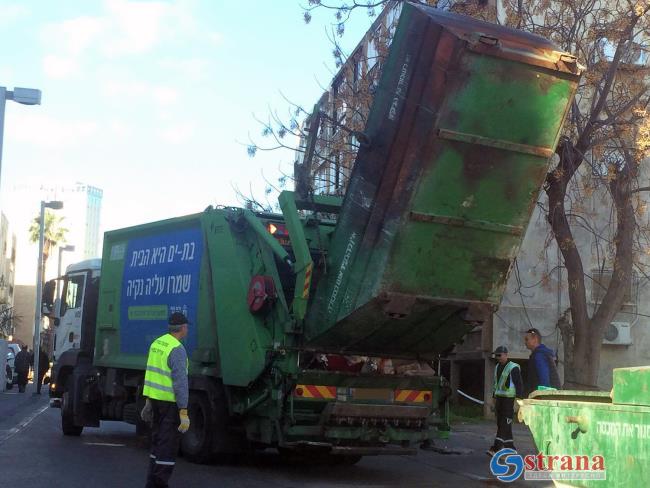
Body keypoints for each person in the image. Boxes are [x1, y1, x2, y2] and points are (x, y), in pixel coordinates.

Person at [141, 312, 191, 488]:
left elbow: (150, 374)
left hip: (155, 402)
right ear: (183, 328)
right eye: (187, 327)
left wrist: (148, 401)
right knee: (168, 447)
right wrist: (183, 410)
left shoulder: (157, 343)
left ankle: (151, 483)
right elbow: (180, 382)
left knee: (157, 444)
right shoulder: (177, 349)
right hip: (170, 405)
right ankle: (160, 483)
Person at [486, 346, 523, 457]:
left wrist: (517, 402)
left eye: (499, 355)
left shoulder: (513, 367)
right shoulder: (497, 367)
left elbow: (519, 385)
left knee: (504, 424)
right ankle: (511, 448)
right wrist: (493, 398)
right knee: (502, 424)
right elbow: (496, 384)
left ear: (506, 355)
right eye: (496, 355)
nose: (497, 357)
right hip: (500, 399)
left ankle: (495, 448)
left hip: (509, 400)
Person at [524, 328, 561, 396]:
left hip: (545, 397)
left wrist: (543, 397)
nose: (525, 342)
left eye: (527, 339)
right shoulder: (541, 354)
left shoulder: (539, 355)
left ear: (535, 339)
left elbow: (544, 379)